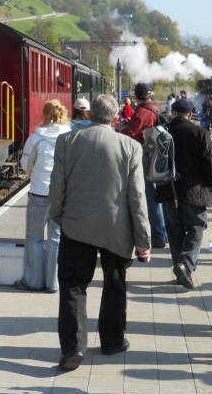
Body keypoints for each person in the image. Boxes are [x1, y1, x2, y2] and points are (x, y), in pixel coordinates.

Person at [49, 94, 150, 371]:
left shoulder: (67, 141)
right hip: (117, 228)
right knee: (115, 284)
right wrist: (143, 240)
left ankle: (73, 348)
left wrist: (58, 215)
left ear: (90, 115)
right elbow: (137, 196)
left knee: (73, 285)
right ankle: (112, 341)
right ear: (116, 118)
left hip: (76, 225)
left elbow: (56, 185)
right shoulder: (130, 146)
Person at [154, 98, 212, 289]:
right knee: (196, 227)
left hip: (168, 189)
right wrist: (211, 186)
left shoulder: (162, 132)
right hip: (194, 191)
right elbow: (210, 165)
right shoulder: (200, 132)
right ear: (190, 115)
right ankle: (186, 265)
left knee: (174, 232)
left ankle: (180, 271)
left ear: (172, 113)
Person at [15, 100, 70, 293]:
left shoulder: (36, 138)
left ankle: (33, 281)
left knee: (34, 238)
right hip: (61, 195)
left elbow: (25, 166)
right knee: (56, 238)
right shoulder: (70, 137)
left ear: (44, 115)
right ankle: (53, 283)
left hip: (39, 193)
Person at [122, 83, 168, 248]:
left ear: (136, 96)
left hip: (148, 158)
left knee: (152, 196)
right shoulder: (155, 107)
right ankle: (163, 232)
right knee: (157, 194)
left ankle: (159, 234)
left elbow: (132, 134)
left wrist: (122, 129)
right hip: (158, 156)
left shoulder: (143, 111)